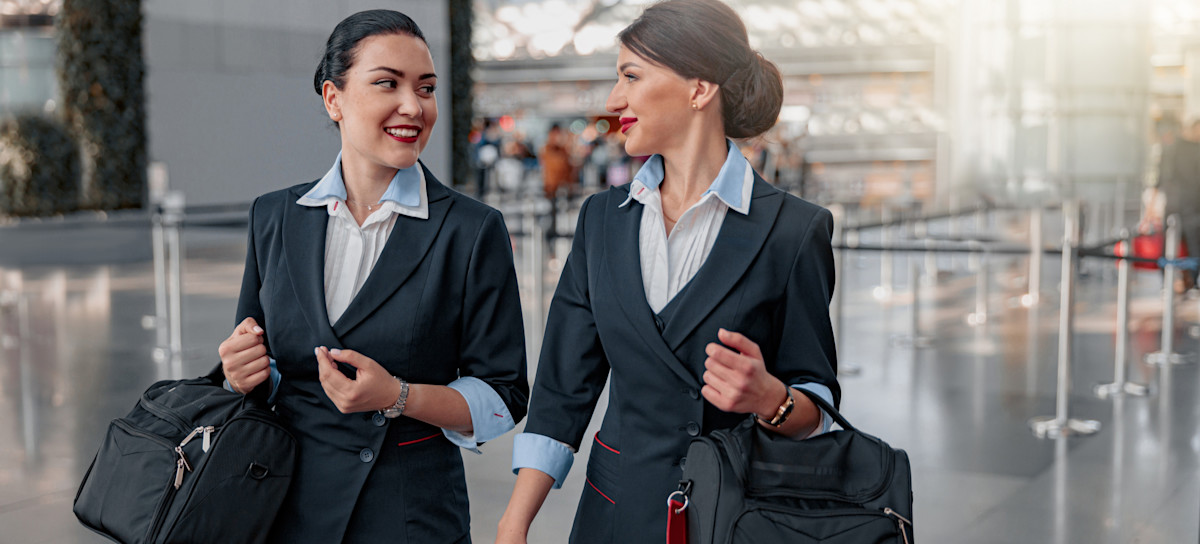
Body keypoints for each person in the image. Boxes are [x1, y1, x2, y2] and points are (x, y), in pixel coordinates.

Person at [496, 1, 839, 542]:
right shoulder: (601, 221)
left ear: (698, 89)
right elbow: (564, 389)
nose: (614, 100)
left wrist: (771, 397)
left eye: (631, 75)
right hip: (614, 513)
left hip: (736, 517)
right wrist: (514, 523)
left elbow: (817, 402)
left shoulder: (794, 231)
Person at [216, 10, 528, 543]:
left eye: (425, 88)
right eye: (388, 83)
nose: (414, 106)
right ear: (333, 99)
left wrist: (398, 396)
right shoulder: (274, 217)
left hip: (409, 516)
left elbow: (504, 397)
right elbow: (260, 362)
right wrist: (240, 371)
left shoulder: (471, 231)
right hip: (286, 506)